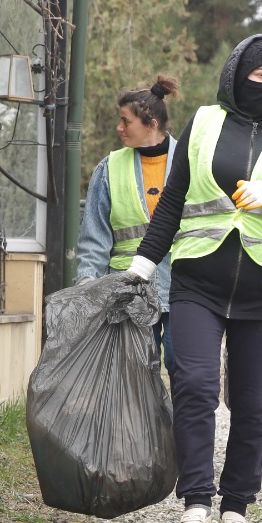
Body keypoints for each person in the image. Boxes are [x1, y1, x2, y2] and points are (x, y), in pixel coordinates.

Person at [128, 35, 262, 523]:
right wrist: (142, 266)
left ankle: (236, 510)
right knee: (194, 386)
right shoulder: (204, 123)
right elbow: (173, 200)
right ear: (237, 74)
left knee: (252, 404)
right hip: (199, 282)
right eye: (260, 75)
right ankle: (196, 504)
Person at [75, 76, 180, 370]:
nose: (119, 128)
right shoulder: (108, 169)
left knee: (184, 370)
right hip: (128, 291)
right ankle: (140, 419)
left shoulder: (191, 163)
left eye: (126, 121)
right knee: (134, 375)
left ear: (151, 123)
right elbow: (94, 238)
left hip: (182, 287)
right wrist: (87, 285)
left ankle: (182, 419)